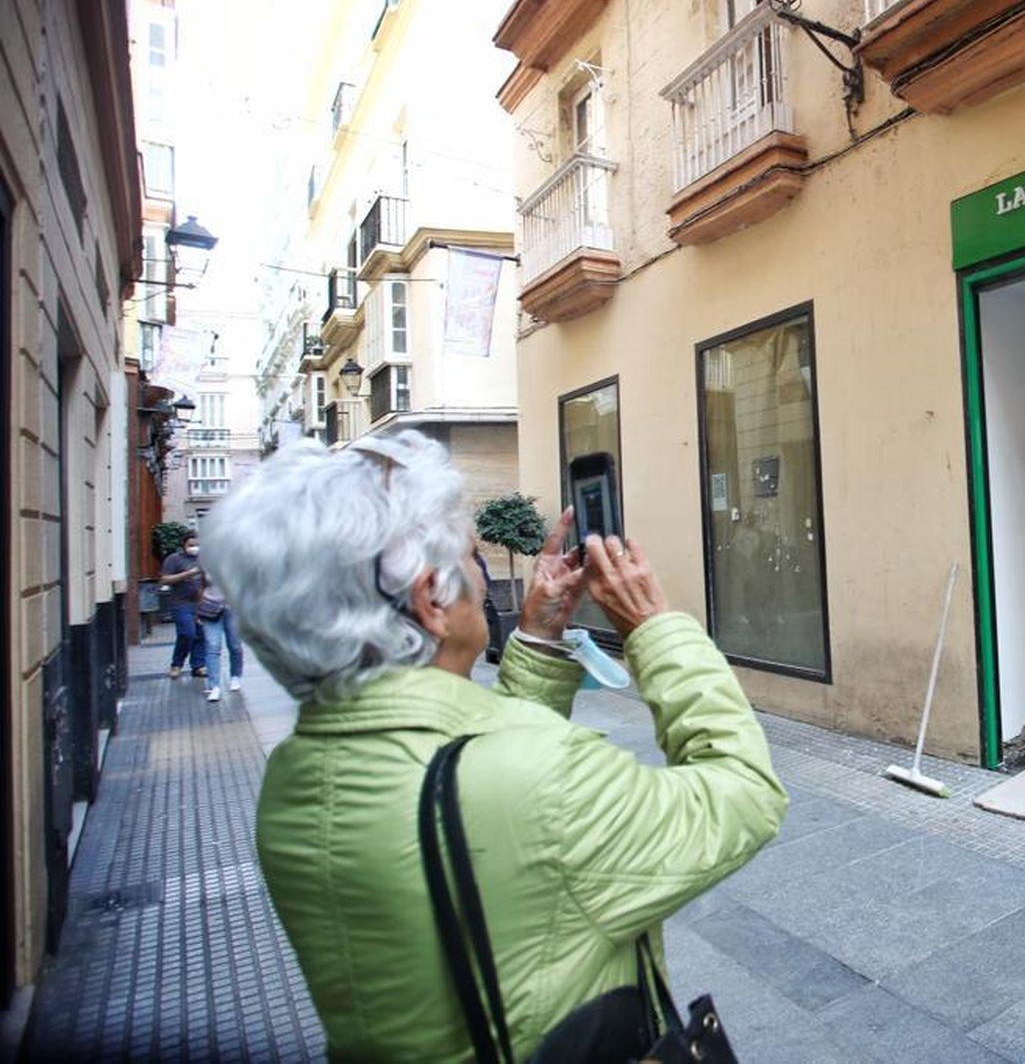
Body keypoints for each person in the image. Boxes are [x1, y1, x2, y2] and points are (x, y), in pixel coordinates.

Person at [199, 431, 787, 1060]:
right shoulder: (535, 777)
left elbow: (463, 788)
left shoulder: (298, 775)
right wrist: (654, 629)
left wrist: (533, 638)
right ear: (430, 599)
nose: (480, 581)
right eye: (468, 559)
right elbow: (743, 791)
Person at [158, 531, 207, 680]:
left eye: (197, 545)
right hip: (181, 604)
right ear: (184, 545)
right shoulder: (174, 559)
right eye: (191, 545)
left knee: (201, 634)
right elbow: (164, 580)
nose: (194, 548)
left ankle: (198, 665)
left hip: (201, 603)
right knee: (187, 633)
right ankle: (176, 664)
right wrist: (188, 574)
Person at [197, 573, 244, 703]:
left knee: (235, 645)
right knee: (212, 646)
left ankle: (235, 675)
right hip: (210, 607)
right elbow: (200, 585)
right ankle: (214, 687)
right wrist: (198, 610)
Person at [473, 547, 505, 664]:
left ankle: (493, 649)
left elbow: (484, 577)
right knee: (492, 621)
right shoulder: (475, 560)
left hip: (483, 596)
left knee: (493, 621)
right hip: (480, 596)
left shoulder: (476, 560)